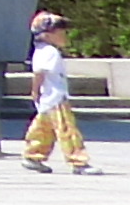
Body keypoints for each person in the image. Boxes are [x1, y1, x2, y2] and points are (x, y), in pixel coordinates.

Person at [22, 11, 96, 175]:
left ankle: (33, 155)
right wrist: (35, 91)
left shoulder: (42, 51)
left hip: (48, 98)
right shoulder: (50, 52)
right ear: (46, 35)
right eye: (60, 32)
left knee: (42, 129)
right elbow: (39, 73)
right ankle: (78, 161)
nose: (64, 35)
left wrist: (37, 93)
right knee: (67, 130)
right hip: (56, 98)